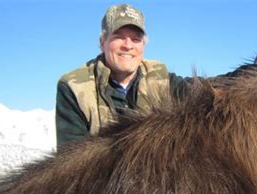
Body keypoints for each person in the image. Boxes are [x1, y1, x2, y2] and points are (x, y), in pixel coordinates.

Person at [56, 3, 187, 149]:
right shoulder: (74, 87)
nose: (128, 45)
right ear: (102, 42)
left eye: (136, 39)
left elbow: (204, 88)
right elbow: (70, 161)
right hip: (103, 171)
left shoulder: (160, 77)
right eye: (118, 37)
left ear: (143, 45)